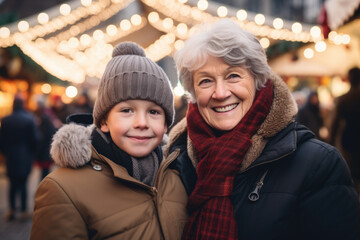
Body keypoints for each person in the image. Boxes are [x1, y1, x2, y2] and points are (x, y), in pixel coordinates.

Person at [165, 19, 360, 240]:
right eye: (206, 81)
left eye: (233, 76)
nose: (220, 93)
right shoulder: (176, 162)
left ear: (257, 80)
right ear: (193, 92)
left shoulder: (319, 164)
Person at [30, 42, 188, 239]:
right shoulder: (63, 189)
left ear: (165, 125)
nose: (141, 123)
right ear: (104, 121)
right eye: (127, 110)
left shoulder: (178, 176)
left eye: (154, 112)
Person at [0, 96, 40, 221]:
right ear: (23, 104)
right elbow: (35, 139)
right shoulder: (29, 119)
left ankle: (12, 209)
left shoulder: (5, 120)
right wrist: (32, 153)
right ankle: (23, 210)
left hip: (11, 156)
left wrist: (5, 152)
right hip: (25, 156)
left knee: (12, 183)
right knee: (23, 183)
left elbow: (1, 140)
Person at [330, 67, 360, 194]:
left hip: (349, 139)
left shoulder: (344, 98)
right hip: (351, 139)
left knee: (352, 174)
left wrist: (330, 142)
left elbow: (335, 123)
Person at [33, 97, 57, 180]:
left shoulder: (45, 117)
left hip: (45, 149)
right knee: (44, 172)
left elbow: (46, 134)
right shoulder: (45, 115)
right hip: (45, 149)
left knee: (45, 173)